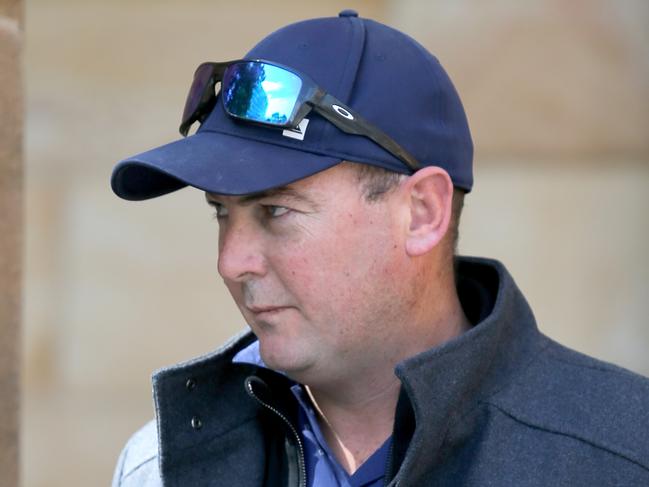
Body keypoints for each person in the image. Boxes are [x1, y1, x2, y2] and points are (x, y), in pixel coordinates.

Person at [110, 10, 649, 487]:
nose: (231, 262)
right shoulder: (160, 466)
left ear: (422, 213)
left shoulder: (623, 456)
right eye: (221, 213)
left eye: (275, 211)